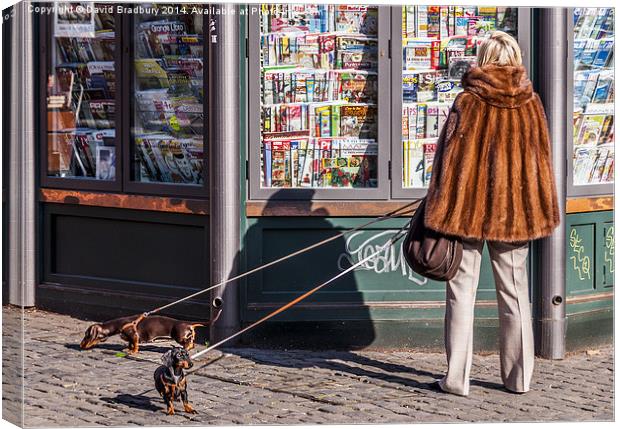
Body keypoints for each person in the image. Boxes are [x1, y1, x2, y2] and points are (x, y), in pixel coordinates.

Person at [423, 31, 561, 396]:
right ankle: (519, 378)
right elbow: (541, 164)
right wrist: (540, 210)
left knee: (460, 294)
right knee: (515, 294)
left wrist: (437, 209)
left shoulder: (468, 101)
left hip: (466, 213)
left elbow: (447, 164)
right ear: (515, 59)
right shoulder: (531, 103)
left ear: (483, 59)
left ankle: (456, 379)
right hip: (513, 215)